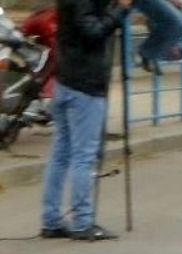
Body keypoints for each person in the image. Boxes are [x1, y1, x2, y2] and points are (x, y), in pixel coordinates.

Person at [40, 0, 132, 241]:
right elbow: (93, 32)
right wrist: (120, 10)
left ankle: (51, 219)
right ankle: (82, 221)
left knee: (61, 154)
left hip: (65, 80)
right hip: (85, 84)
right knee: (84, 155)